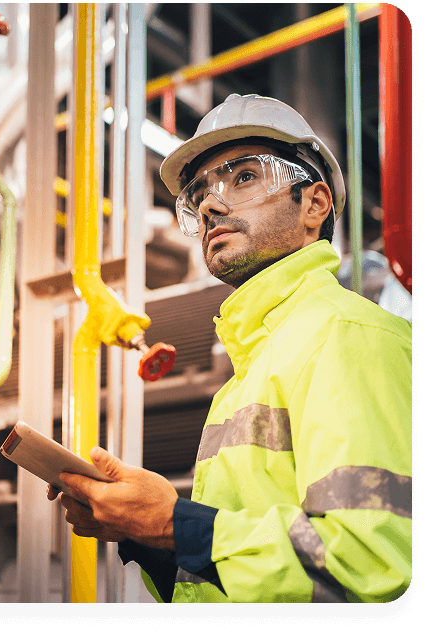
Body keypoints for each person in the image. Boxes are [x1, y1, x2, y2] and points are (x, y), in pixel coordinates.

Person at [48, 94, 412, 603]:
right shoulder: (245, 379)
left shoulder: (350, 336)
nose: (211, 205)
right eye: (198, 195)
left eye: (243, 177)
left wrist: (176, 524)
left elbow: (370, 567)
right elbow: (236, 581)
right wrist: (146, 534)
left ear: (314, 204)